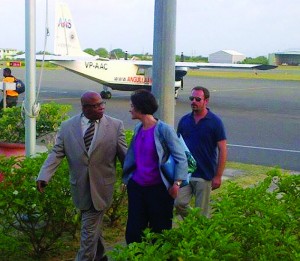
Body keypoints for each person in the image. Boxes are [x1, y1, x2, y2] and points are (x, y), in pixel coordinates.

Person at [36, 91, 127, 261]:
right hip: (80, 187)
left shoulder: (116, 125)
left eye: (102, 104)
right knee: (92, 229)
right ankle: (101, 257)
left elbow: (125, 157)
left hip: (102, 188)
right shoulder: (68, 126)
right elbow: (56, 153)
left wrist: (132, 178)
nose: (101, 108)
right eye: (96, 105)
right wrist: (44, 176)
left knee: (88, 231)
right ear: (85, 107)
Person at [122, 89, 188, 244]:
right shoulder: (138, 128)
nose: (130, 109)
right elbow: (134, 157)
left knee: (160, 231)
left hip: (159, 190)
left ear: (140, 108)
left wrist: (177, 184)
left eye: (132, 106)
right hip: (137, 188)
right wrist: (128, 179)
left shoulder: (164, 130)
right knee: (134, 232)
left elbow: (181, 158)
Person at [175, 86, 227, 218]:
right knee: (179, 202)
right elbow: (177, 146)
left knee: (202, 212)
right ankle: (195, 222)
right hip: (186, 174)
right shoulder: (184, 121)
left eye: (198, 99)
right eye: (191, 98)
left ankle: (200, 231)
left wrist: (218, 176)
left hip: (204, 175)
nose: (194, 101)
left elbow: (222, 149)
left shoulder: (215, 122)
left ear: (206, 101)